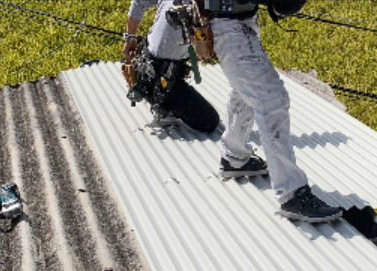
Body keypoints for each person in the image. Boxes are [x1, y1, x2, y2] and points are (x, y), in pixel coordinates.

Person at [206, 0, 343, 223]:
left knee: (245, 90)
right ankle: (291, 193)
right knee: (271, 100)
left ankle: (234, 156)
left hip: (237, 22)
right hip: (229, 26)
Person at [124, 0, 220, 133]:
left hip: (147, 56)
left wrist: (129, 38)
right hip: (159, 76)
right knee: (209, 121)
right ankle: (160, 100)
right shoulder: (203, 4)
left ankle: (157, 88)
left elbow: (138, 2)